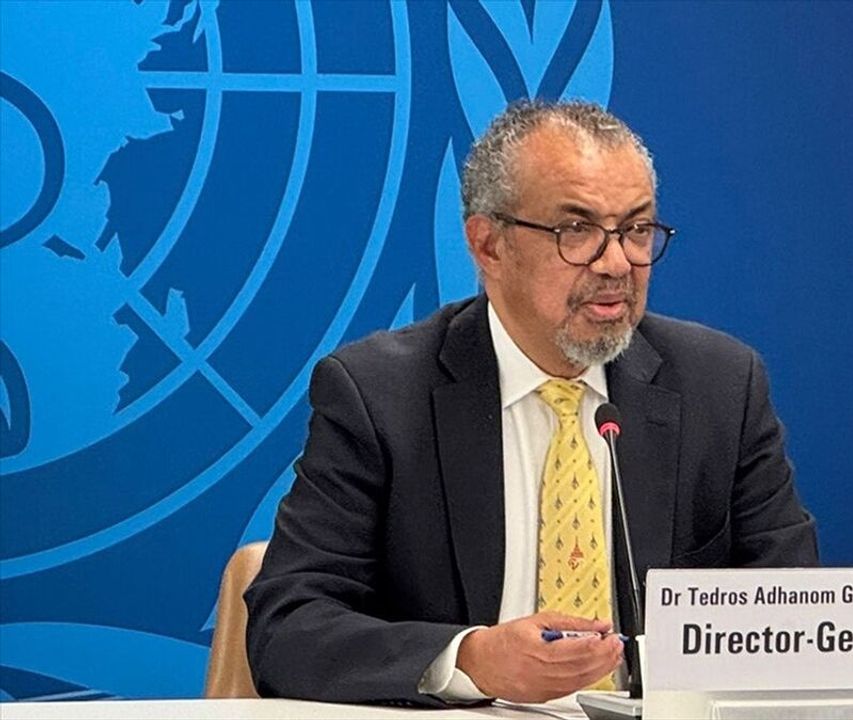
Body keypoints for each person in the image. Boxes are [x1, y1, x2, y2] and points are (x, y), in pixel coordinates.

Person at [244, 100, 819, 707]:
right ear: (488, 245)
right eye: (578, 231)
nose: (617, 263)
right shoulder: (379, 395)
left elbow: (793, 617)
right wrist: (469, 659)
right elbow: (289, 625)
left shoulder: (720, 385)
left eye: (636, 230)